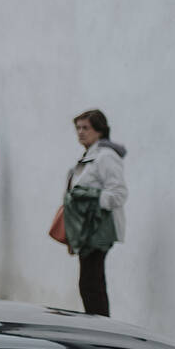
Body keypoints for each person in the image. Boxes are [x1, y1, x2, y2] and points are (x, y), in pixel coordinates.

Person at [64, 109, 127, 316]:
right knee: (90, 283)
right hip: (85, 229)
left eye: (86, 128)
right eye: (78, 128)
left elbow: (118, 194)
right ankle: (99, 327)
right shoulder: (88, 156)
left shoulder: (106, 156)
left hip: (98, 228)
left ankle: (102, 331)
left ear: (100, 130)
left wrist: (89, 197)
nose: (81, 132)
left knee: (91, 284)